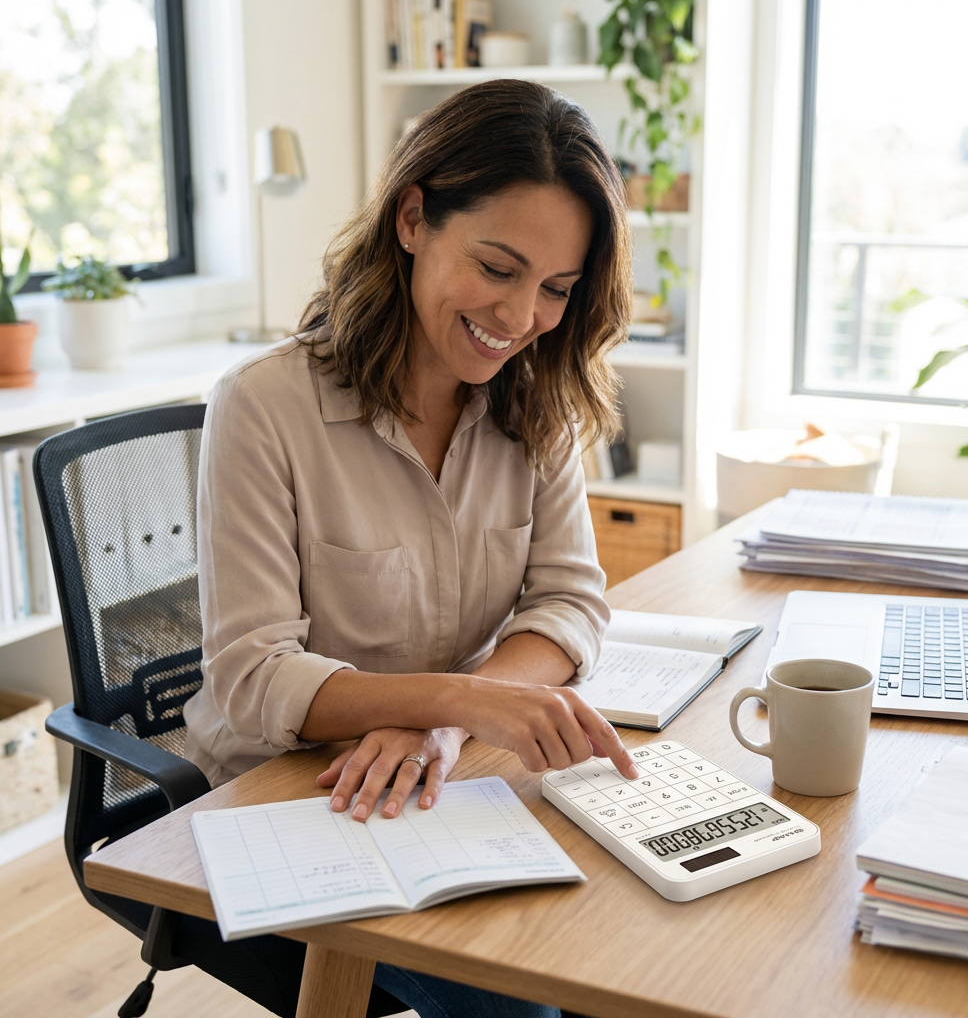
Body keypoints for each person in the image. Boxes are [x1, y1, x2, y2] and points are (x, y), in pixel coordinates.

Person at [184, 79, 637, 1018]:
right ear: (412, 217)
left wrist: (447, 722)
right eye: (498, 267)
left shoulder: (537, 400)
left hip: (451, 772)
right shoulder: (265, 406)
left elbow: (568, 601)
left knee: (635, 950)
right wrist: (459, 700)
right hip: (301, 790)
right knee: (528, 1001)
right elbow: (255, 677)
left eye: (556, 289)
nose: (520, 319)